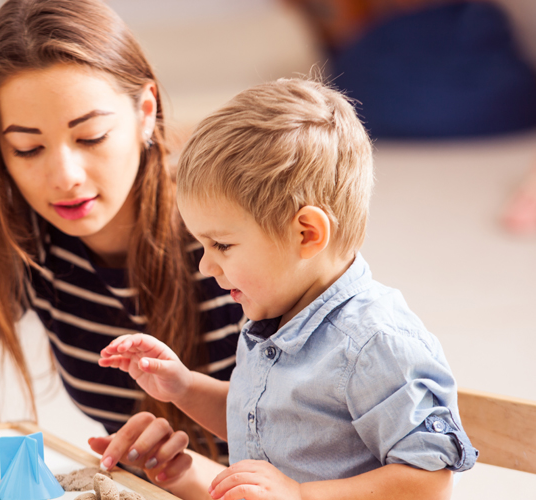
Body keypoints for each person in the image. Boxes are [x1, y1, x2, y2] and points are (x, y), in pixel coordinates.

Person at [0, 0, 243, 497]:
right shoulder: (26, 237)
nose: (64, 177)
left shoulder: (229, 234)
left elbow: (322, 452)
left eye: (90, 136)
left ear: (145, 112)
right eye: (28, 148)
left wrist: (184, 472)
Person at [100, 78, 477, 499]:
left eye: (221, 244)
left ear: (307, 233)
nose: (206, 266)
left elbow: (432, 479)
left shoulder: (375, 343)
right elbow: (265, 423)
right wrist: (184, 387)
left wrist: (300, 495)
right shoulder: (276, 316)